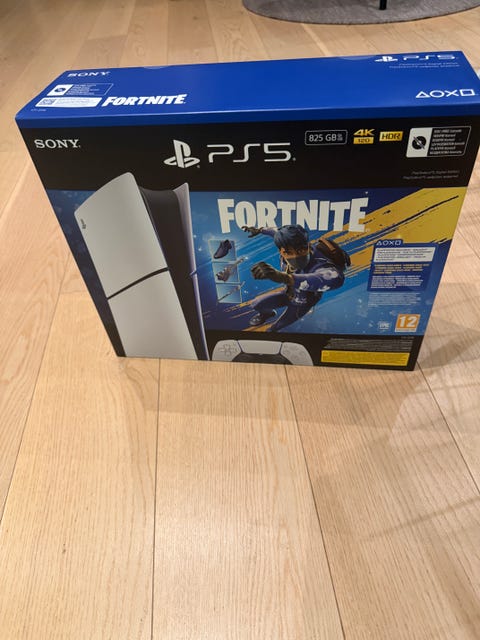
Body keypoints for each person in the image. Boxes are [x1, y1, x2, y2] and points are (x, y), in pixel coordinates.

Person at [242, 224, 349, 331]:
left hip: (302, 303)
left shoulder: (320, 264)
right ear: (281, 251)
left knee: (274, 328)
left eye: (301, 250)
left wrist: (281, 277)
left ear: (308, 246)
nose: (295, 256)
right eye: (288, 252)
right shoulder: (284, 241)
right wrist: (259, 230)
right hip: (287, 293)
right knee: (256, 304)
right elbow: (274, 232)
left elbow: (334, 278)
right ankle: (267, 314)